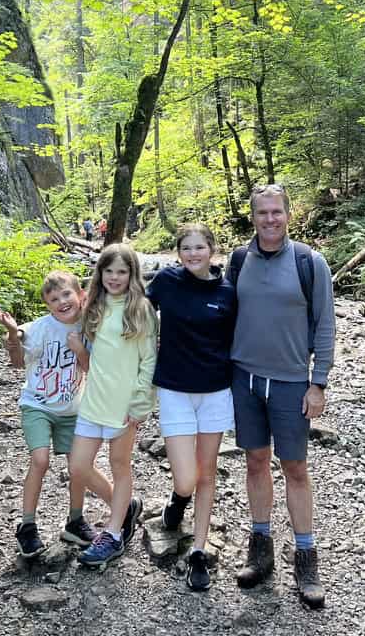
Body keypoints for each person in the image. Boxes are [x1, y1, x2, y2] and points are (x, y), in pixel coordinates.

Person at [228, 184, 335, 609]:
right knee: (255, 461)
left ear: (288, 214)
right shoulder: (239, 260)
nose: (269, 220)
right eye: (262, 213)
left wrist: (319, 382)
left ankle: (306, 557)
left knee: (295, 467)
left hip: (292, 381)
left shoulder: (310, 262)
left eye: (276, 212)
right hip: (245, 378)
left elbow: (325, 323)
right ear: (251, 216)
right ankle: (261, 547)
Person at [0, 270, 114, 559]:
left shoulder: (89, 328)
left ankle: (76, 520)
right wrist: (13, 332)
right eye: (53, 299)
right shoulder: (41, 328)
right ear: (47, 305)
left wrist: (80, 350)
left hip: (73, 409)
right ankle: (27, 526)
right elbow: (18, 351)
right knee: (40, 459)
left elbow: (93, 371)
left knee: (79, 466)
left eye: (65, 295)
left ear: (81, 296)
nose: (61, 302)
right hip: (37, 405)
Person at [146, 223, 237, 591]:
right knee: (187, 478)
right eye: (187, 248)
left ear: (212, 250)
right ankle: (178, 499)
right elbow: (131, 309)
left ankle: (198, 551)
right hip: (174, 389)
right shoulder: (166, 282)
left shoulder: (229, 292)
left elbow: (243, 337)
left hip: (215, 390)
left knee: (208, 472)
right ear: (178, 252)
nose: (194, 254)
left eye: (200, 247)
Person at [69, 243, 157, 569]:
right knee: (78, 466)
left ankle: (114, 533)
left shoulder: (141, 310)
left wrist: (141, 403)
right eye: (109, 271)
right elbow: (59, 311)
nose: (115, 277)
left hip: (124, 406)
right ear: (100, 273)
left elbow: (149, 361)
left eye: (122, 271)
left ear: (132, 274)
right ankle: (126, 507)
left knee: (120, 465)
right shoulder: (93, 305)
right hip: (93, 401)